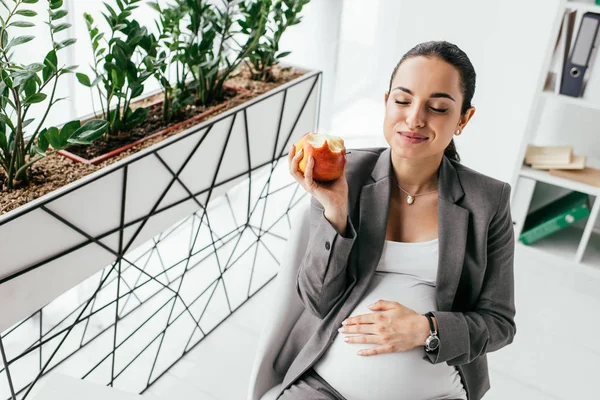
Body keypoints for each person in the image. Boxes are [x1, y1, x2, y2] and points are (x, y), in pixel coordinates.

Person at [276, 41, 516, 400]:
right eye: (403, 101)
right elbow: (317, 302)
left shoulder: (488, 200)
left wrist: (425, 329)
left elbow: (499, 323)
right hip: (323, 388)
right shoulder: (345, 175)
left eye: (437, 107)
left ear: (463, 119)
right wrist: (336, 212)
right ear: (387, 102)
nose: (415, 118)